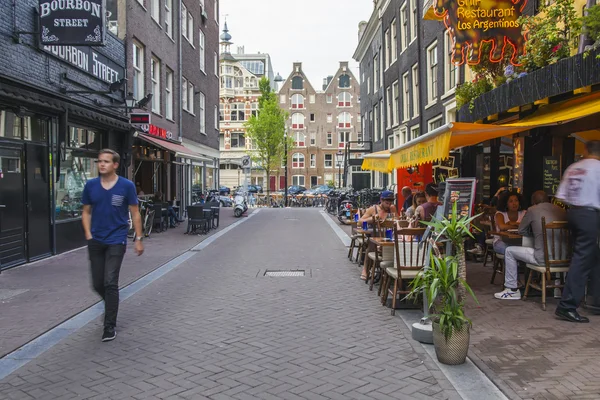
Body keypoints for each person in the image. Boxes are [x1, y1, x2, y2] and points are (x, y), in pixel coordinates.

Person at [82, 149, 144, 342]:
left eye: (106, 162)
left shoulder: (126, 186)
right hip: (96, 240)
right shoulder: (91, 186)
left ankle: (109, 326)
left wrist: (139, 238)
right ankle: (110, 304)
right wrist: (88, 234)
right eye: (99, 161)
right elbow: (85, 212)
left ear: (115, 165)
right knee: (97, 284)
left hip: (117, 240)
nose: (102, 165)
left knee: (110, 282)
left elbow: (135, 213)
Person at [555, 140, 600, 323]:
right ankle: (567, 306)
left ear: (586, 150)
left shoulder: (573, 167)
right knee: (581, 260)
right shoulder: (598, 168)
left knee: (593, 256)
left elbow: (561, 197)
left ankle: (595, 300)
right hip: (589, 215)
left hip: (573, 213)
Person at [494, 191, 566, 300]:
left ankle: (512, 289)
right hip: (564, 258)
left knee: (509, 250)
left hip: (542, 258)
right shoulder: (561, 211)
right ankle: (557, 290)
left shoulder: (532, 210)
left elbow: (522, 230)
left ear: (533, 201)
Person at [492, 190, 526, 255]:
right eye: (511, 201)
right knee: (510, 251)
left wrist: (511, 224)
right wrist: (517, 225)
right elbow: (502, 226)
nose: (514, 203)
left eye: (516, 200)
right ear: (506, 204)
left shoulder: (523, 213)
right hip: (501, 241)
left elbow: (527, 226)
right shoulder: (500, 214)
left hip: (519, 242)